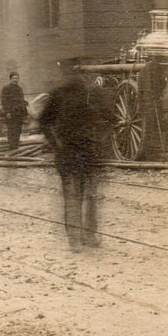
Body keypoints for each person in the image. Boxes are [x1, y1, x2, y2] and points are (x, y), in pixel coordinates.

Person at [39, 66, 109, 251]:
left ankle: (76, 238)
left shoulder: (59, 94)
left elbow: (44, 122)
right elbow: (109, 120)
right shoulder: (91, 94)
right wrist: (100, 140)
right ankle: (86, 236)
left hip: (70, 153)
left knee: (74, 196)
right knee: (89, 197)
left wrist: (55, 144)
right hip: (87, 153)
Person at [0, 69, 28, 151]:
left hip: (19, 113)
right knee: (11, 129)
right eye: (13, 78)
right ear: (10, 79)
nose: (15, 80)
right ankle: (12, 145)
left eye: (16, 78)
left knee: (18, 129)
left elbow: (22, 100)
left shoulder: (19, 88)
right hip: (11, 113)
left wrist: (25, 113)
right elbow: (4, 101)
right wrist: (7, 112)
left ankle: (16, 144)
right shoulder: (6, 88)